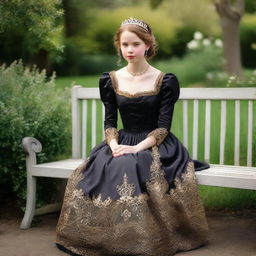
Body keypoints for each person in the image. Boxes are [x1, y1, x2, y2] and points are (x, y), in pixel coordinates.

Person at [55, 17, 210, 256]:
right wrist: (114, 144)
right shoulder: (111, 79)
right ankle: (106, 238)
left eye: (135, 44)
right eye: (125, 44)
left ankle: (140, 239)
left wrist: (138, 148)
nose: (129, 49)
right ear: (119, 45)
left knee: (130, 162)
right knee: (97, 167)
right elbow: (110, 121)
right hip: (121, 140)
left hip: (156, 144)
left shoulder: (165, 80)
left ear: (147, 45)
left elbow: (162, 127)